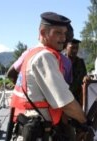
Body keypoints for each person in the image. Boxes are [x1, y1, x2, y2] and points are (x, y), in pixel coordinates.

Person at [9, 12, 87, 141]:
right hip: (37, 131)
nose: (63, 38)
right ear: (43, 32)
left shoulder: (33, 52)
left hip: (29, 127)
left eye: (64, 33)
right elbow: (66, 102)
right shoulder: (45, 56)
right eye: (58, 33)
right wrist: (84, 122)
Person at [64, 38, 87, 104]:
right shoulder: (61, 61)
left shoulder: (81, 62)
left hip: (78, 98)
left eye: (76, 48)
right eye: (72, 48)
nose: (75, 50)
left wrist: (86, 78)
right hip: (65, 97)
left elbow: (84, 76)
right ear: (66, 47)